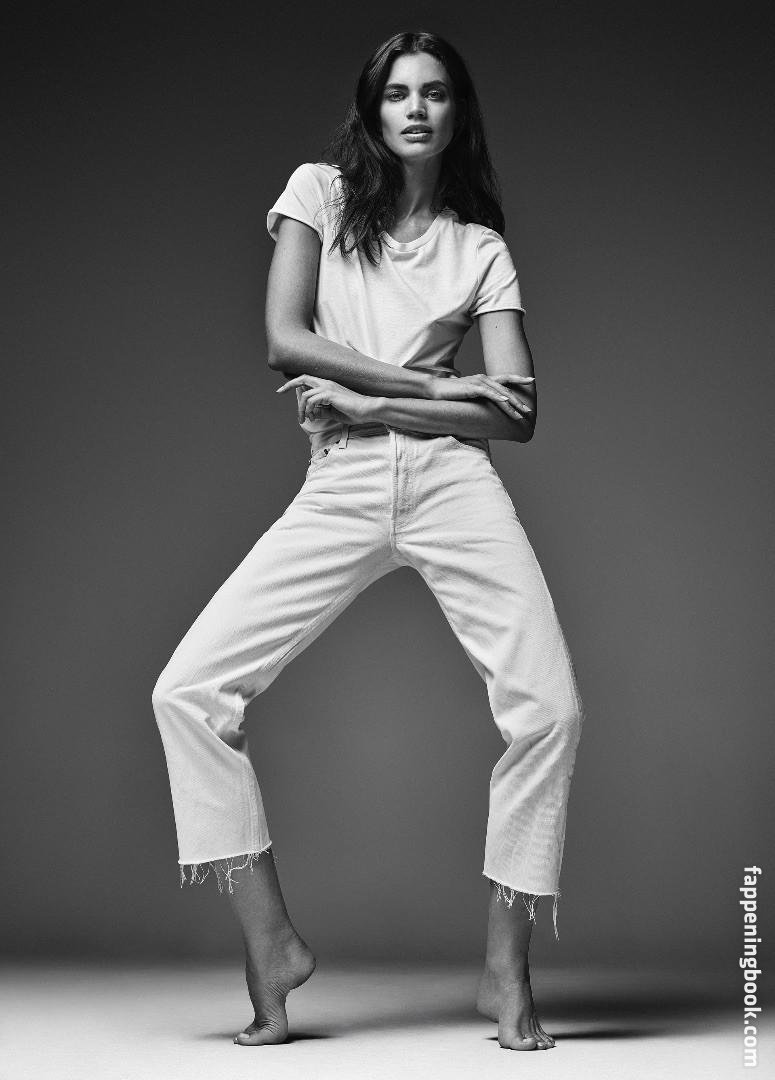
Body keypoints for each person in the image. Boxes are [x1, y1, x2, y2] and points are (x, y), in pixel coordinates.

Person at [152, 29, 584, 1053]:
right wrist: (428, 384)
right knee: (188, 692)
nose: (415, 109)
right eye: (397, 93)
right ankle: (271, 945)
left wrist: (373, 400)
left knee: (551, 712)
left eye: (434, 93)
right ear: (372, 108)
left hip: (452, 484)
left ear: (457, 112)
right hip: (342, 481)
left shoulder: (480, 249)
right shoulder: (318, 196)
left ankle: (505, 968)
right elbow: (285, 340)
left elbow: (516, 415)